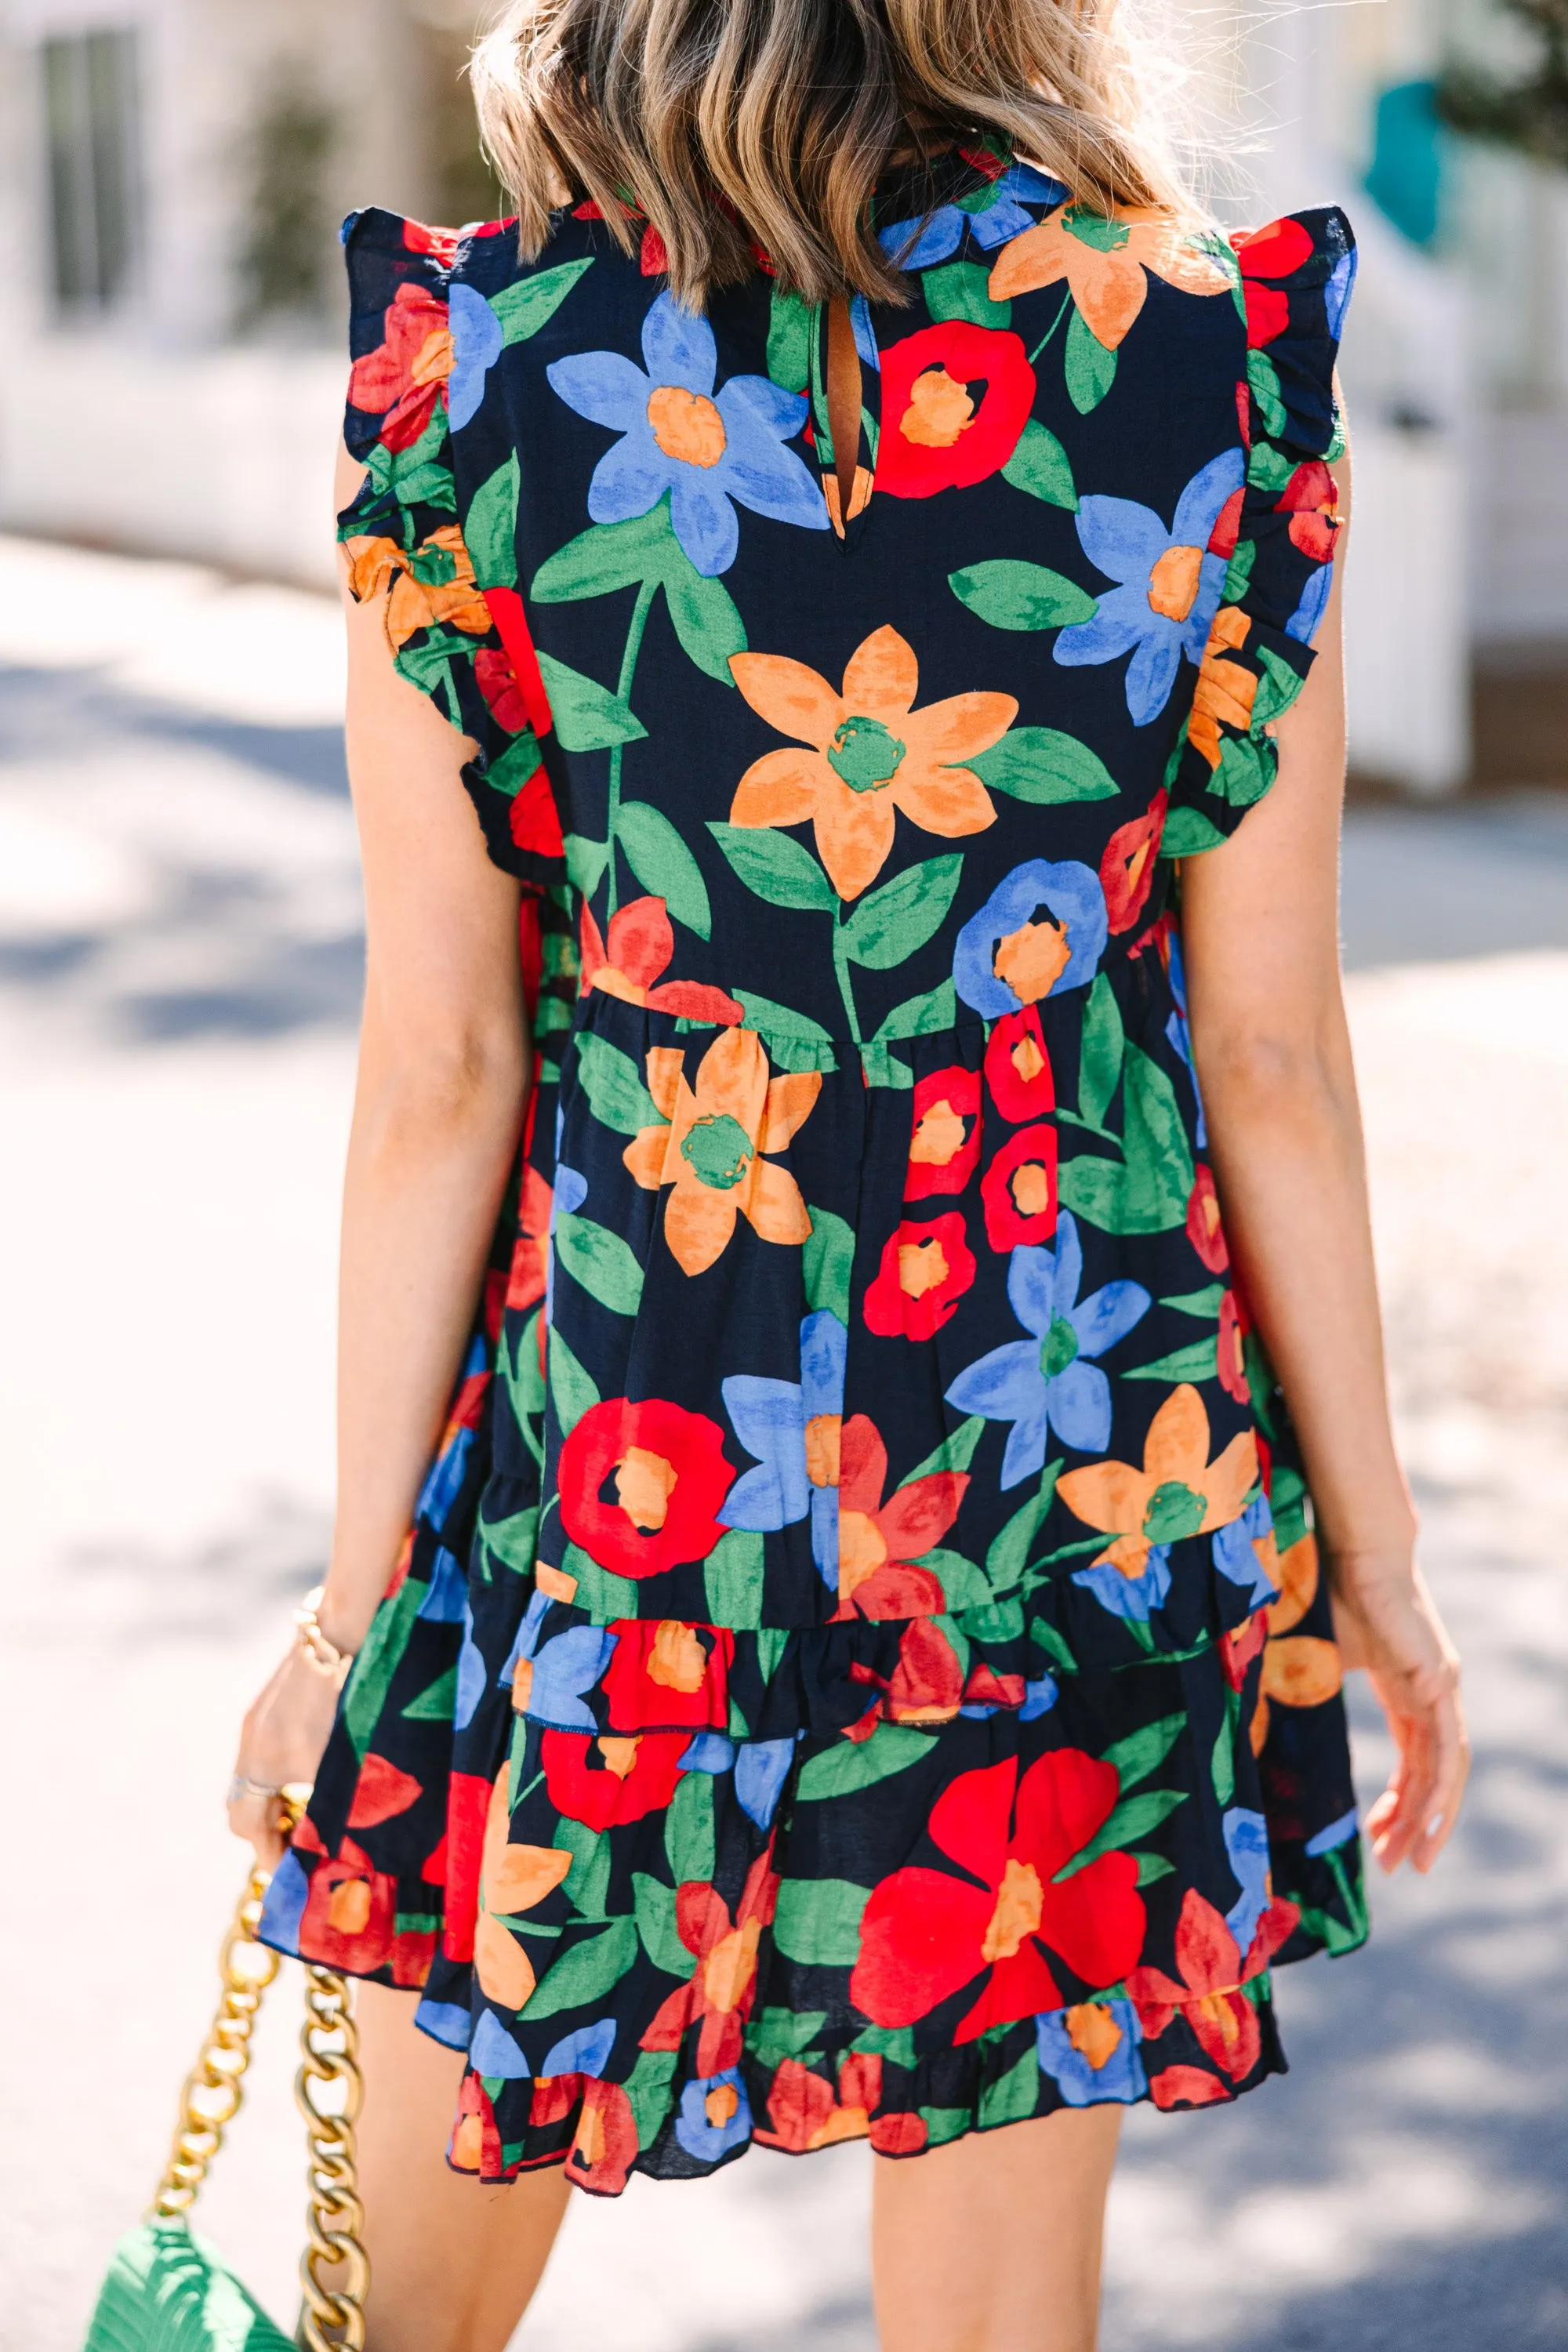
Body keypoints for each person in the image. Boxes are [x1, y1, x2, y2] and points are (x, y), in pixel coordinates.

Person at [227, 2, 1468, 2345]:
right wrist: (1376, 1563)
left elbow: (443, 1064)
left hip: (622, 1476)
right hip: (1071, 1476)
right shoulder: (1204, 357)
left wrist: (348, 1613)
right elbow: (1276, 1056)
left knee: (395, 2316)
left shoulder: (482, 380)